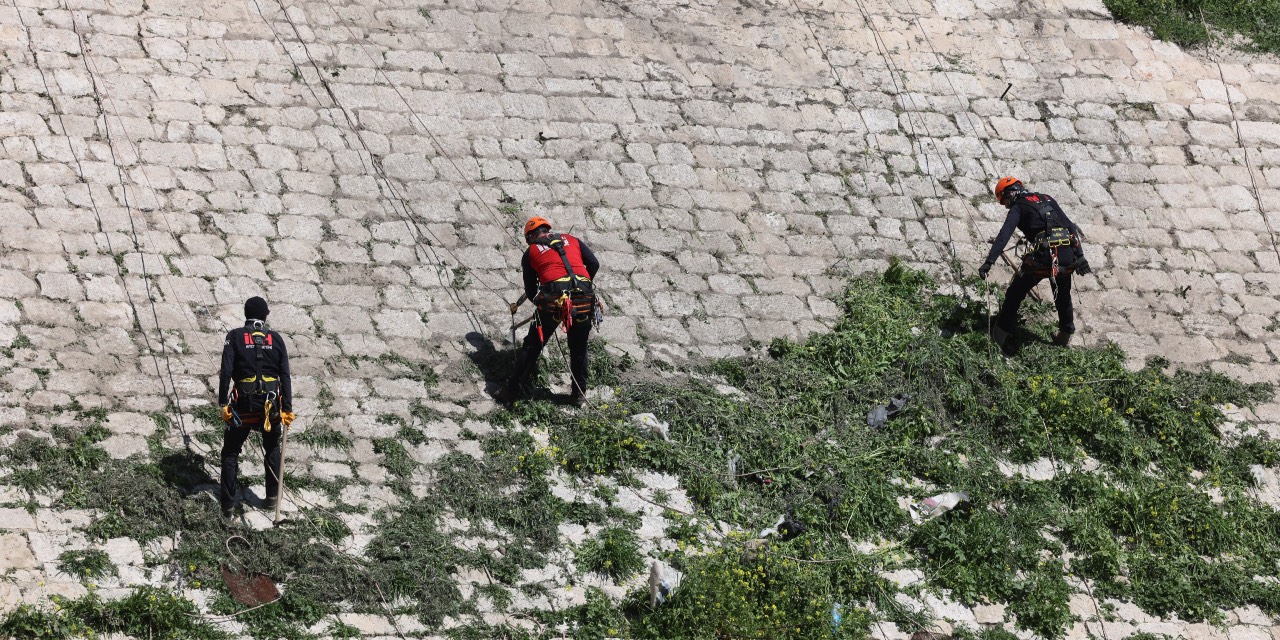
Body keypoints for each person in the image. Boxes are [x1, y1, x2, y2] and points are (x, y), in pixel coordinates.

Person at [492, 217, 600, 404]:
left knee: (533, 345)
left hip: (554, 300)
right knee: (579, 348)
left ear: (531, 236)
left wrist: (542, 304)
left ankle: (511, 391)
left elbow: (531, 290)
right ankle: (578, 394)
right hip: (585, 298)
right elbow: (594, 264)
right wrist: (582, 285)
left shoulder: (531, 251)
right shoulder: (571, 239)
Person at [978, 177, 1092, 350]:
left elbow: (1004, 234)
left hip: (1043, 257)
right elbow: (1070, 226)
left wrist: (989, 261)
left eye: (1005, 202)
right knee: (1062, 294)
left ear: (1010, 193)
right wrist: (1080, 256)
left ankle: (998, 336)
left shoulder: (1018, 206)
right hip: (1067, 255)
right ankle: (1064, 336)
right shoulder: (1047, 198)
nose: (1007, 206)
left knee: (1015, 293)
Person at [218, 296, 294, 519]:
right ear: (265, 316)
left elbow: (226, 372)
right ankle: (272, 499)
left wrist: (223, 403)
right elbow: (285, 376)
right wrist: (287, 407)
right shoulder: (276, 339)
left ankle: (228, 508)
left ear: (245, 315)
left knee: (230, 453)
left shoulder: (234, 337)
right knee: (272, 447)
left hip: (243, 408)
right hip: (270, 408)